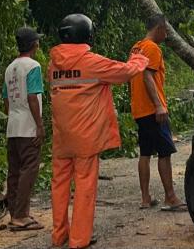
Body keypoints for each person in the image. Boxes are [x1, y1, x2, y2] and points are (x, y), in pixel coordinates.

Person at [49, 14, 149, 249]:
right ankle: (78, 240)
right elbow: (124, 72)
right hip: (85, 138)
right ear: (87, 35)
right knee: (84, 187)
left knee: (59, 185)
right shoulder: (91, 62)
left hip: (62, 138)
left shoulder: (53, 64)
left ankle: (59, 235)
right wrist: (139, 60)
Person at [129, 14, 186, 211]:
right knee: (165, 151)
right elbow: (147, 76)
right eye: (166, 30)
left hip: (139, 108)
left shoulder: (137, 47)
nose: (167, 34)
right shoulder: (153, 48)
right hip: (153, 109)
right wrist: (159, 105)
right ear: (159, 28)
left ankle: (145, 198)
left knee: (145, 152)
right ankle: (170, 197)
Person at [2, 27, 45, 232]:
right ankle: (21, 215)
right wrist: (39, 125)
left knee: (14, 171)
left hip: (13, 125)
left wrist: (13, 116)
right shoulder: (33, 66)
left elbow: (6, 100)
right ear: (34, 44)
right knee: (30, 168)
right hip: (28, 126)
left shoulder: (10, 67)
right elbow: (32, 97)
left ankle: (15, 212)